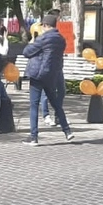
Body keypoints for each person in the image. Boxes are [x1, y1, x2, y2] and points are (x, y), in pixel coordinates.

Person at [21, 13, 75, 146]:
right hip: (51, 75)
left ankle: (34, 137)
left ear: (45, 25)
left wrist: (33, 41)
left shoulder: (42, 38)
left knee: (34, 105)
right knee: (56, 104)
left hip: (37, 75)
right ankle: (67, 131)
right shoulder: (61, 39)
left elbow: (27, 52)